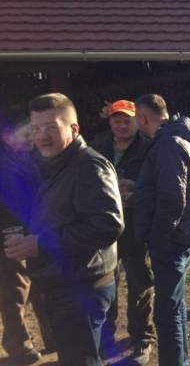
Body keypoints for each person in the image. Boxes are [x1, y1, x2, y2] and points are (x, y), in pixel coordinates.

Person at [4, 93, 124, 366]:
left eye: (51, 127)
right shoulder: (52, 163)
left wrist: (40, 243)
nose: (41, 136)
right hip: (63, 283)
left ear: (74, 128)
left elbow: (108, 225)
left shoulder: (89, 166)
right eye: (36, 128)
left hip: (82, 287)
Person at [133, 94, 190, 366]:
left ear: (143, 117)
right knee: (175, 304)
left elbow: (172, 198)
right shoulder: (177, 140)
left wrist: (157, 238)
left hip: (171, 241)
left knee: (166, 312)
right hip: (181, 235)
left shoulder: (167, 145)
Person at [91, 99, 156, 364]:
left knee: (140, 284)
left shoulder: (149, 147)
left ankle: (142, 338)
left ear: (136, 122)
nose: (121, 125)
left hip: (137, 226)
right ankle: (106, 339)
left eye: (126, 120)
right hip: (105, 227)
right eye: (116, 120)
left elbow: (157, 184)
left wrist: (136, 190)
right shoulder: (98, 146)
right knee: (106, 284)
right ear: (110, 122)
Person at [0, 113, 52, 365]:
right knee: (14, 291)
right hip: (9, 234)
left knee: (44, 285)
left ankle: (53, 336)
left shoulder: (36, 157)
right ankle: (18, 345)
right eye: (24, 133)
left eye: (33, 131)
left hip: (38, 231)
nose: (31, 137)